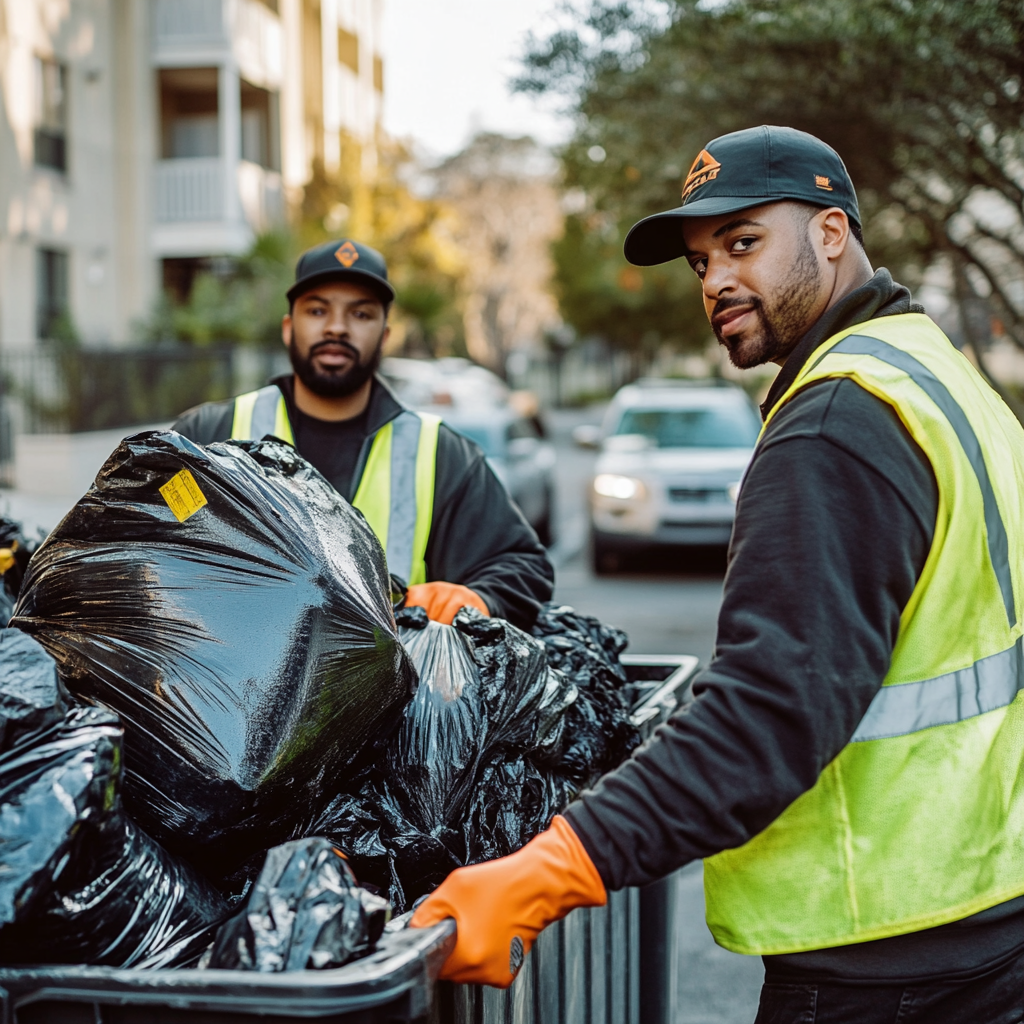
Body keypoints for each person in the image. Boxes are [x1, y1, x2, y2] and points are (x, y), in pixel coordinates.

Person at [411, 126, 1024, 1023]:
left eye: (743, 244)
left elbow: (767, 714)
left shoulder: (834, 426)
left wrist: (551, 869)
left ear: (830, 233)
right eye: (701, 263)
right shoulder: (942, 378)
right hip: (986, 917)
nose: (717, 283)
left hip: (883, 958)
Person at [172, 239, 553, 630]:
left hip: (397, 689)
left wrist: (474, 599)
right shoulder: (206, 437)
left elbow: (522, 569)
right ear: (289, 328)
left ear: (385, 336)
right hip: (232, 687)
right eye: (318, 310)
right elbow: (141, 544)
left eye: (360, 313)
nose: (337, 327)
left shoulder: (439, 454)